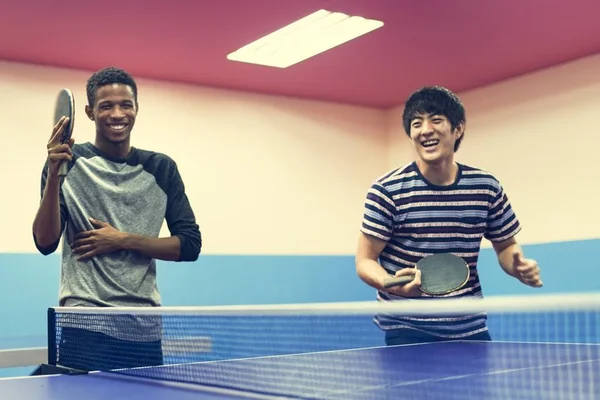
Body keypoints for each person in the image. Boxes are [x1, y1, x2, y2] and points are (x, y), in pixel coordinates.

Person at [32, 66, 202, 371]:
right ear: (89, 112)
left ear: (136, 109)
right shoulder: (68, 161)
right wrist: (55, 171)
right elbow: (45, 242)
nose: (117, 113)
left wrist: (122, 240)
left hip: (144, 329)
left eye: (126, 104)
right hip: (85, 326)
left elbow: (190, 246)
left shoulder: (161, 168)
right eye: (106, 105)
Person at [355, 86, 542, 346]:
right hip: (407, 326)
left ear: (458, 129)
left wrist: (517, 267)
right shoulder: (387, 190)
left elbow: (507, 246)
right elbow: (365, 260)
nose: (425, 130)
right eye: (416, 123)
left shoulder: (485, 186)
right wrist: (391, 283)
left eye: (436, 119)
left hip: (469, 326)